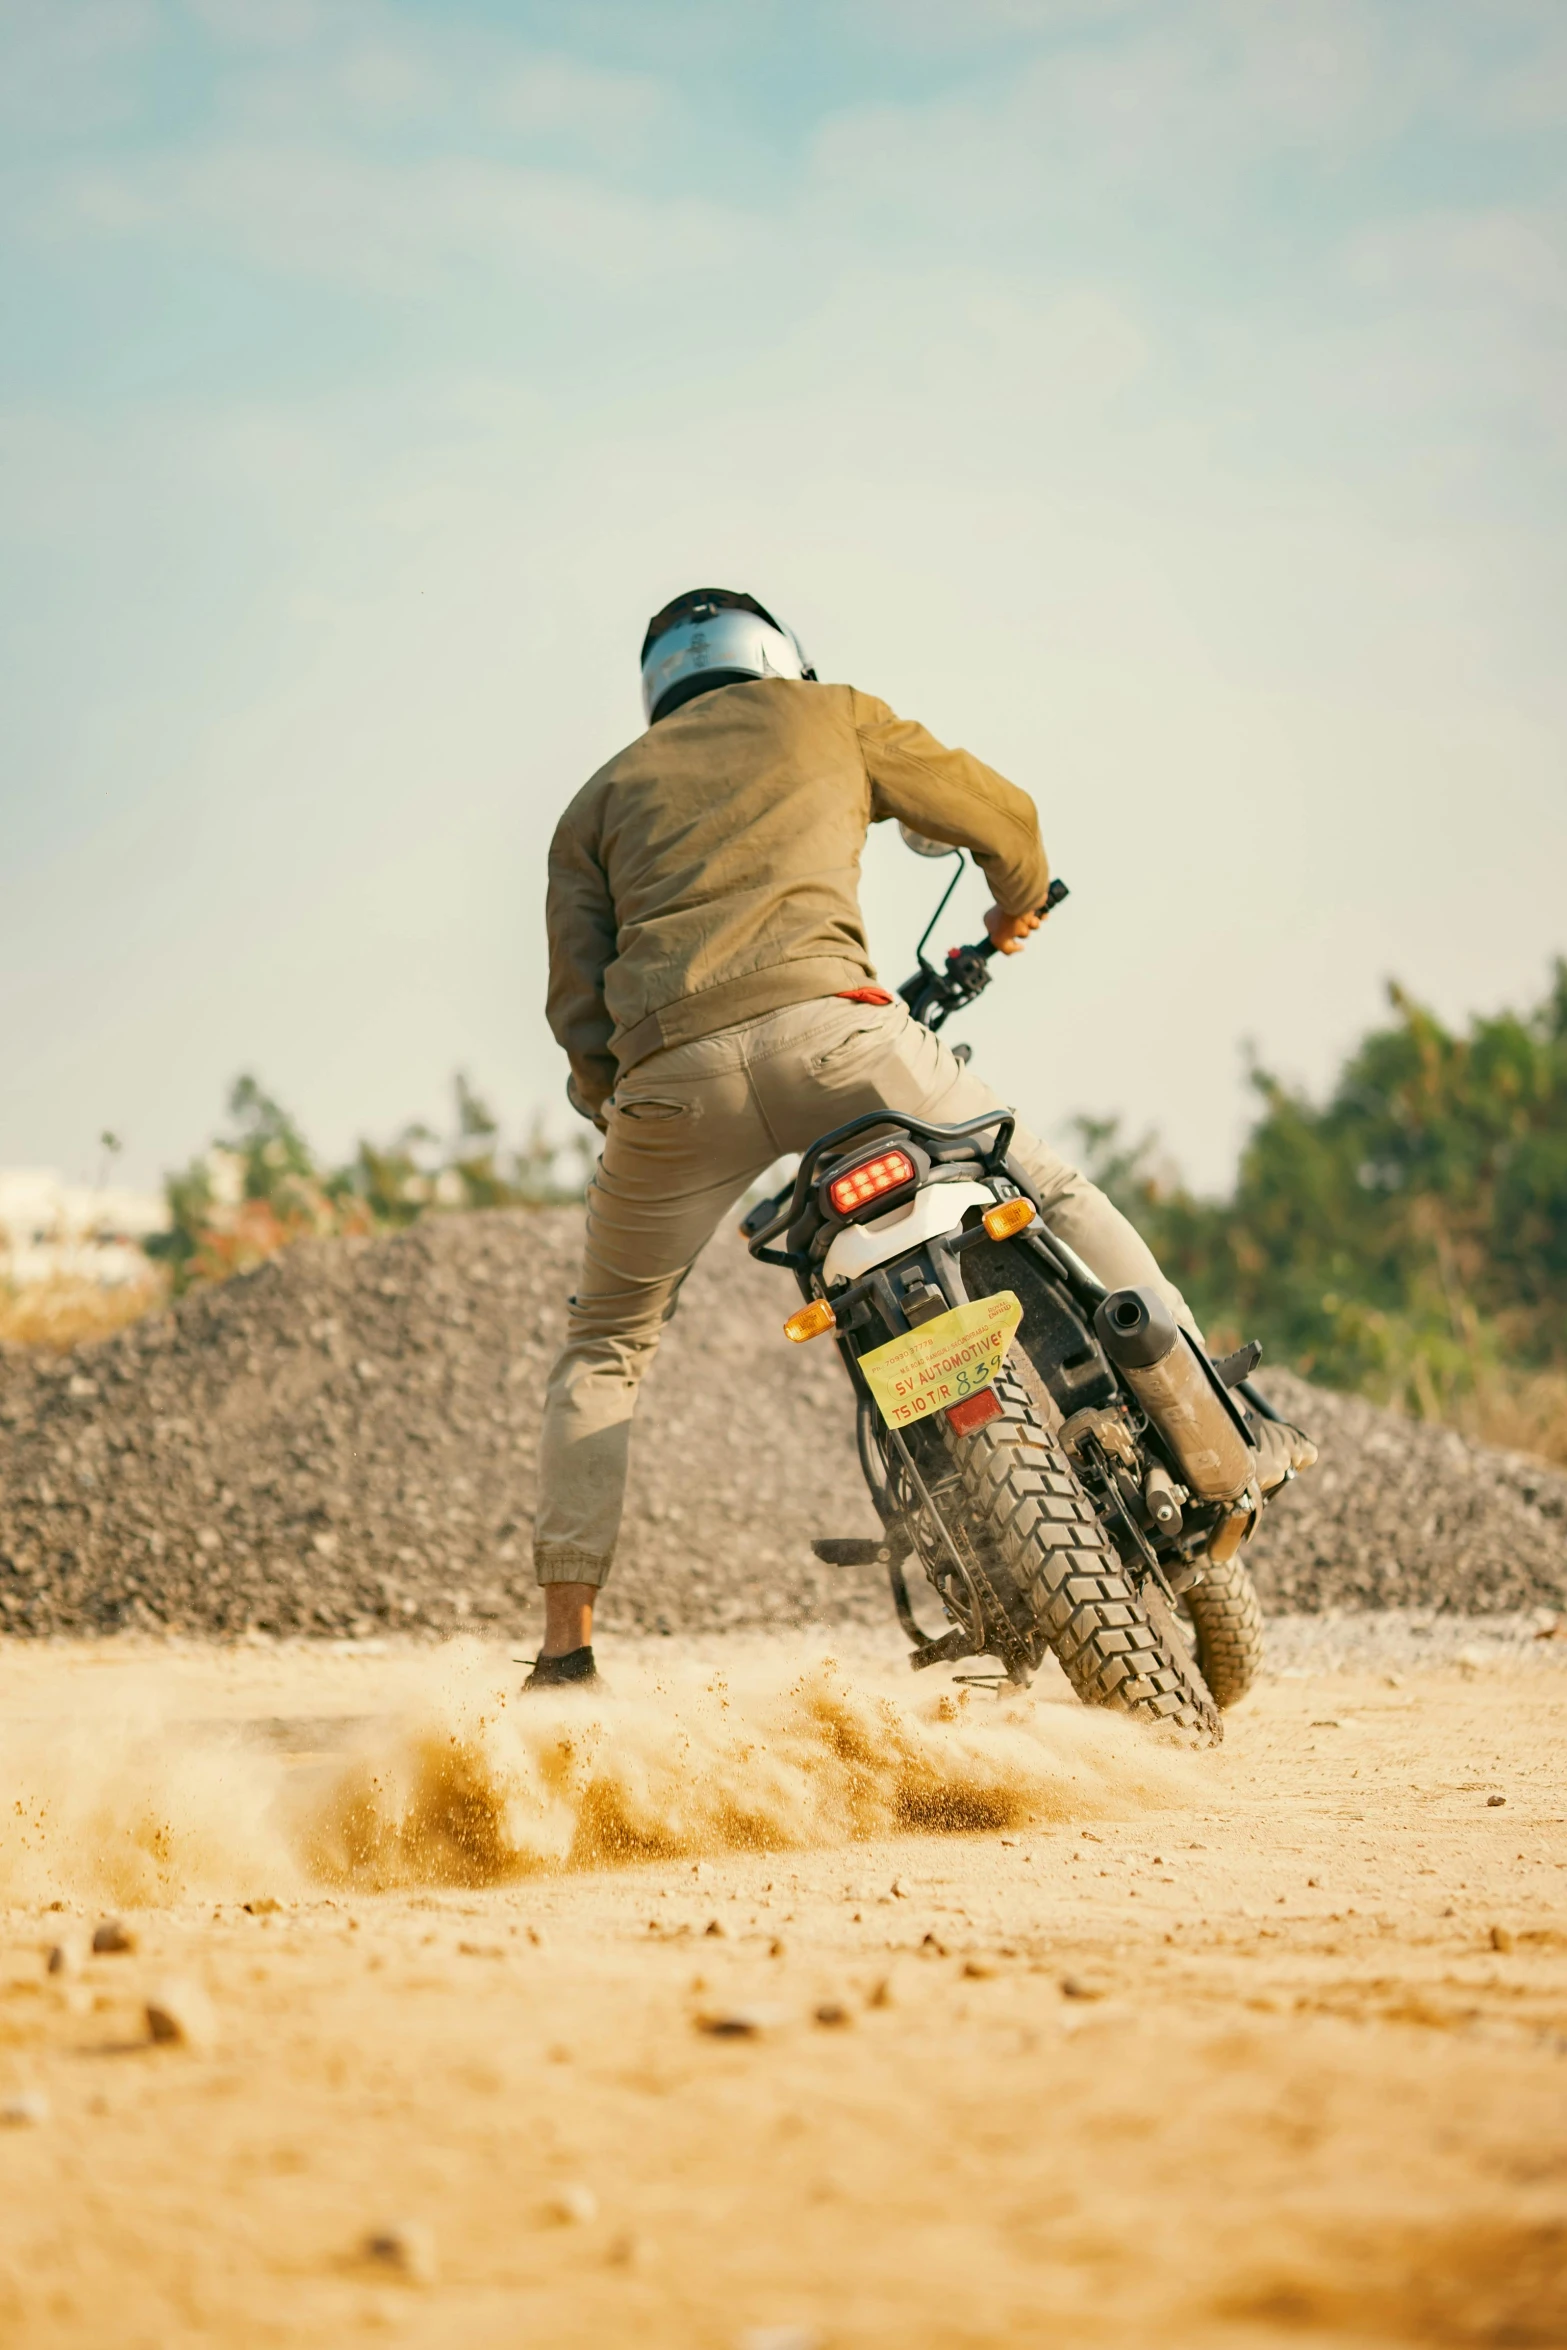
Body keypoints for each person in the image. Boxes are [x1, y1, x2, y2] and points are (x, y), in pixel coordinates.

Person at [526, 588, 1306, 1688]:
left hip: (672, 1086)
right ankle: (1211, 1415)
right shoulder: (828, 714)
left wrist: (630, 1109)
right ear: (778, 660)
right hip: (846, 1044)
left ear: (659, 688)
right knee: (1055, 1188)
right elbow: (1005, 821)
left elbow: (578, 1020)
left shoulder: (594, 803)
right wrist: (1011, 909)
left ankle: (566, 1655)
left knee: (604, 1348)